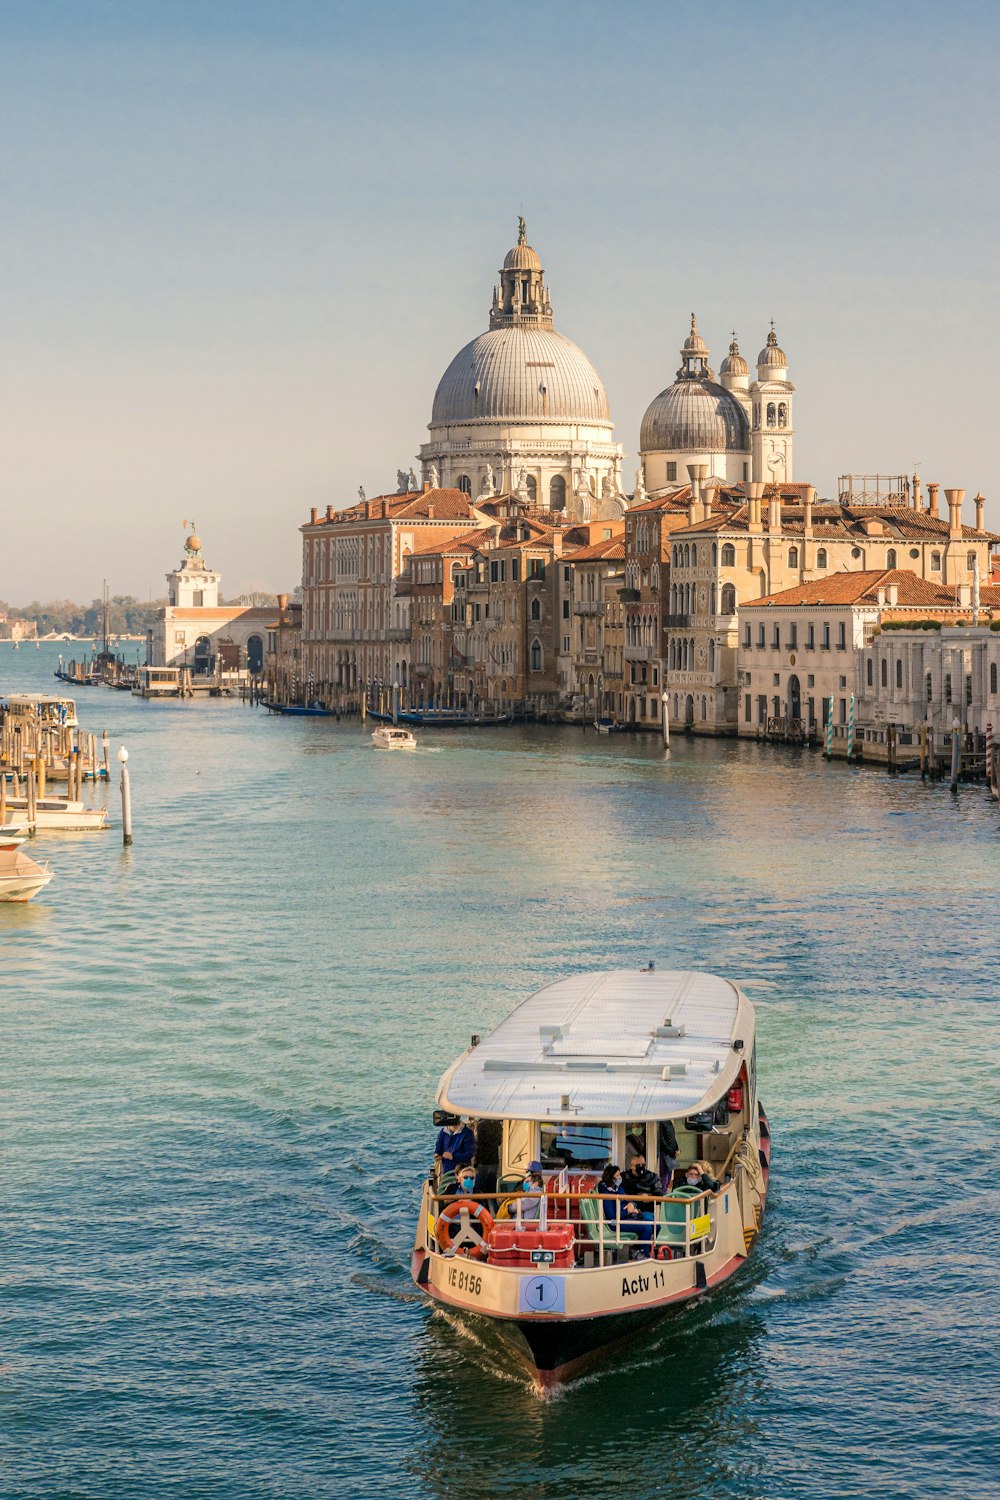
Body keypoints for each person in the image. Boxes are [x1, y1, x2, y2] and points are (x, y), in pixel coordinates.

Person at [599, 1164, 653, 1254]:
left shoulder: (618, 1189)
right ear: (611, 1178)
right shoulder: (606, 1194)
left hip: (627, 1217)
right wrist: (627, 1211)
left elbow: (628, 1200)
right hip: (616, 1223)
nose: (620, 1177)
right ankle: (643, 1254)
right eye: (617, 1176)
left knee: (653, 1220)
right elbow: (611, 1216)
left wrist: (632, 1204)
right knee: (647, 1228)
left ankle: (646, 1248)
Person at [658, 1119, 680, 1187]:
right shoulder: (660, 1122)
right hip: (664, 1153)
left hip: (671, 1153)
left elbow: (673, 1137)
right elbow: (661, 1139)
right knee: (664, 1178)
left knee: (668, 1178)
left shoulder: (669, 1121)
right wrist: (671, 1151)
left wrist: (677, 1149)